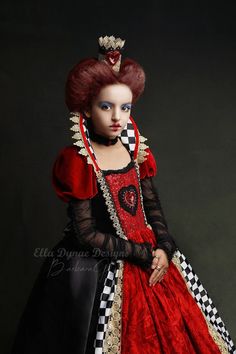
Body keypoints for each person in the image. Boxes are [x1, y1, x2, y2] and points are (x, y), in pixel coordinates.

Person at [12, 35, 235, 354]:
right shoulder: (78, 159)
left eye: (124, 107)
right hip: (95, 266)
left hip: (151, 255)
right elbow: (85, 233)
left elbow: (152, 207)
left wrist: (165, 246)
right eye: (106, 106)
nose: (118, 116)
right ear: (87, 109)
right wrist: (143, 255)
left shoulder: (135, 150)